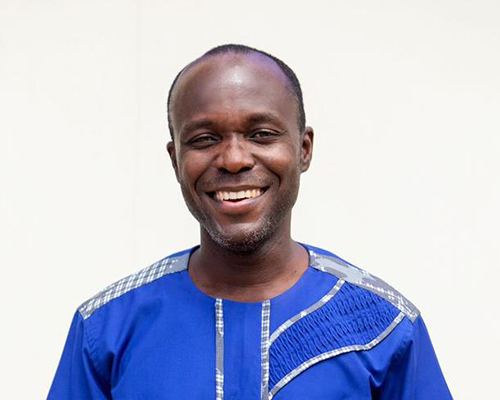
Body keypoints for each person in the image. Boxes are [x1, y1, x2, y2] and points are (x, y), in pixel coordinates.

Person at [47, 44, 453, 400]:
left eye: (261, 134)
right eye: (204, 139)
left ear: (304, 149)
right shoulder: (107, 329)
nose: (234, 159)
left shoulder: (383, 326)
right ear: (175, 160)